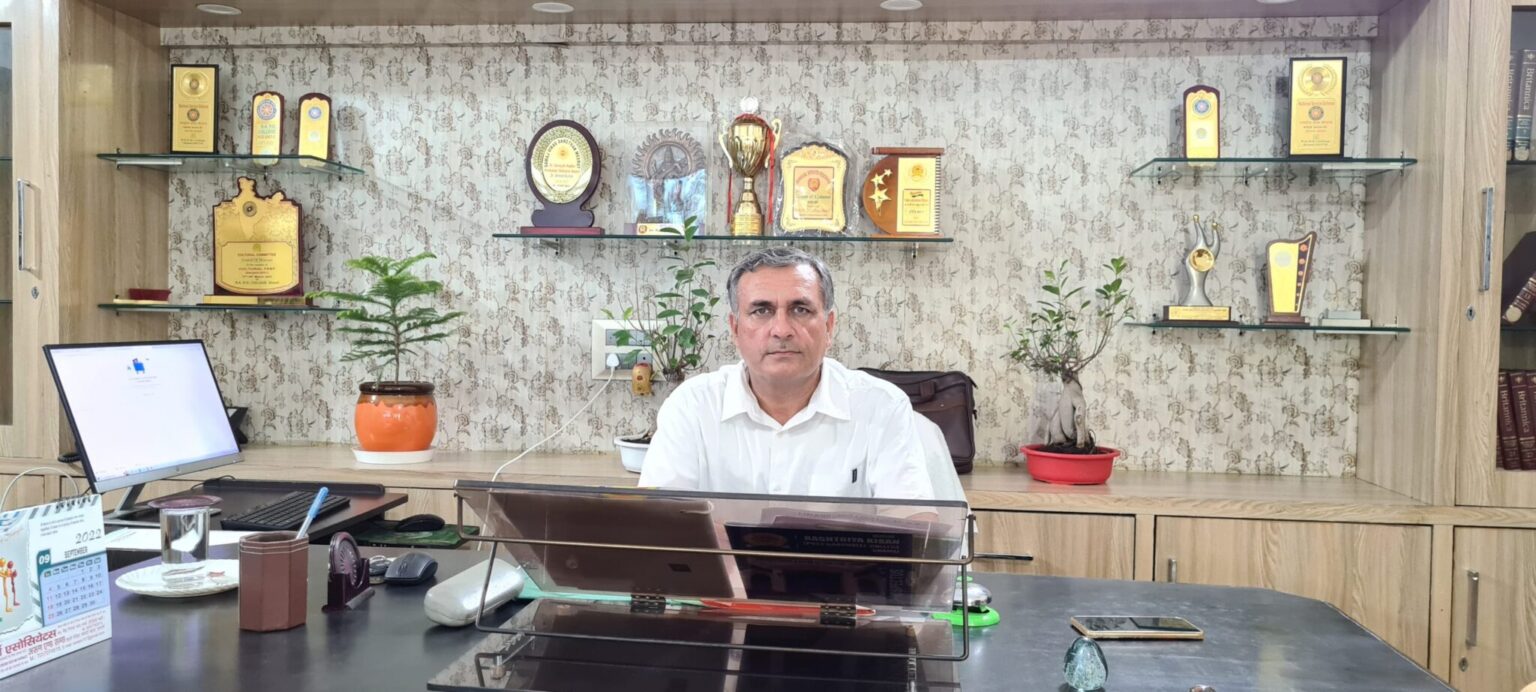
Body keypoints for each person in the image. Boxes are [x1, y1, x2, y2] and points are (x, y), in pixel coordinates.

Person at [639, 247, 947, 500]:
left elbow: (914, 529)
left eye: (800, 310)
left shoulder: (882, 406)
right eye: (761, 311)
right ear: (735, 329)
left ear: (829, 326)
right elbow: (660, 526)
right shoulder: (691, 406)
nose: (782, 330)